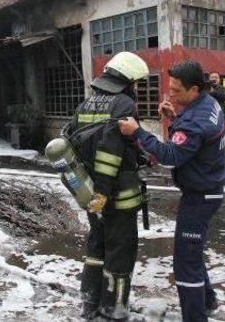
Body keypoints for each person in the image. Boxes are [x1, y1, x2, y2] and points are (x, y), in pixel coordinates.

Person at [118, 60, 225, 322]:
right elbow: (191, 141)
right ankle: (208, 301)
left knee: (185, 264)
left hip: (200, 196)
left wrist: (137, 133)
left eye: (177, 91)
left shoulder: (196, 121)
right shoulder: (208, 103)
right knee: (193, 251)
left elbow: (170, 156)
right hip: (207, 189)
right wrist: (173, 120)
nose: (172, 95)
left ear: (194, 89)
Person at [65, 51, 149, 320]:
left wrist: (95, 192)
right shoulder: (123, 103)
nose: (136, 88)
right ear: (127, 81)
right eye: (136, 83)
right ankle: (115, 309)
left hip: (89, 192)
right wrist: (104, 190)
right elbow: (110, 150)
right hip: (116, 195)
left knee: (97, 245)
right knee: (120, 251)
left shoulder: (85, 105)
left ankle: (90, 303)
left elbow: (76, 145)